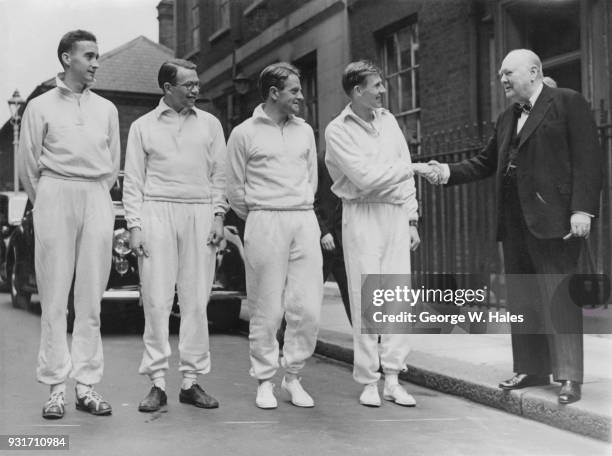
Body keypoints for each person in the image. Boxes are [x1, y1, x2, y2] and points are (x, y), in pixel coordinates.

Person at [426, 49, 603, 404]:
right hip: (515, 222)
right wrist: (445, 173)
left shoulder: (568, 102)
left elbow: (588, 160)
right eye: (499, 75)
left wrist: (582, 210)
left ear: (534, 71)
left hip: (555, 221)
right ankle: (531, 367)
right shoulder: (507, 116)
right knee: (523, 299)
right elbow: (484, 162)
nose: (502, 80)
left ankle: (569, 375)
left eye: (508, 73)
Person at [18, 30, 120, 419]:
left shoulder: (107, 109)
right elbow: (28, 165)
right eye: (89, 56)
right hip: (54, 194)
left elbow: (111, 165)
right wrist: (47, 198)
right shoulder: (40, 107)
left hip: (95, 194)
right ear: (66, 59)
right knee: (55, 297)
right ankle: (56, 388)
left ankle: (87, 386)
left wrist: (93, 193)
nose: (96, 63)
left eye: (98, 56)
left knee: (91, 298)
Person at [325, 60, 434, 407]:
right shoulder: (337, 130)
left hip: (394, 215)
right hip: (361, 215)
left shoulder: (388, 121)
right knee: (367, 295)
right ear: (357, 91)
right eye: (377, 85)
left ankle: (392, 378)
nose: (383, 90)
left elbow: (401, 174)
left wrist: (412, 219)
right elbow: (365, 179)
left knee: (398, 297)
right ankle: (369, 379)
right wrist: (410, 168)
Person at [122, 59, 227, 412]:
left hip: (199, 213)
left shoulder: (210, 124)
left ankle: (190, 382)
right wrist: (135, 226)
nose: (197, 89)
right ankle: (156, 383)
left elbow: (219, 176)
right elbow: (133, 181)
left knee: (197, 300)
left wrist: (218, 216)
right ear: (168, 88)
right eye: (189, 84)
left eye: (197, 83)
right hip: (156, 212)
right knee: (156, 300)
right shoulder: (142, 127)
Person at [226, 62, 322, 409]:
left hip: (302, 219)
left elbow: (311, 179)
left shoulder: (306, 131)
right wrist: (261, 216)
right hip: (264, 220)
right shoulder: (243, 133)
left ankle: (293, 377)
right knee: (267, 307)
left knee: (307, 306)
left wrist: (296, 208)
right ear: (273, 93)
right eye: (294, 90)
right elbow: (234, 189)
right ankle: (265, 380)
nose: (300, 95)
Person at [314, 152, 352, 324]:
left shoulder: (351, 160)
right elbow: (309, 199)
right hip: (322, 242)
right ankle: (284, 338)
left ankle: (369, 336)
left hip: (344, 240)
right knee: (309, 294)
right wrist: (323, 232)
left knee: (352, 290)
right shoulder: (320, 162)